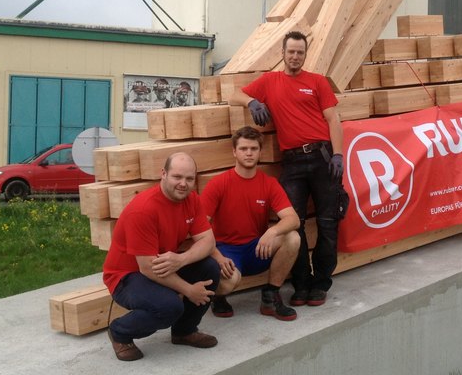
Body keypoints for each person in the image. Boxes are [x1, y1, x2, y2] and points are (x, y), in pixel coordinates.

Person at [229, 30, 344, 308]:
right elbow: (234, 95)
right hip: (291, 162)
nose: (295, 57)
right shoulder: (270, 81)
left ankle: (321, 283)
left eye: (300, 52)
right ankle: (301, 283)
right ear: (282, 53)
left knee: (328, 223)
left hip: (322, 157)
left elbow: (333, 119)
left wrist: (338, 154)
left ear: (305, 55)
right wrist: (252, 101)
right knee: (296, 225)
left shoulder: (317, 82)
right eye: (290, 52)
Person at [103, 152, 220, 362]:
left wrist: (181, 260)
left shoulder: (192, 200)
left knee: (210, 268)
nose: (183, 184)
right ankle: (120, 332)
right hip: (127, 276)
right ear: (163, 174)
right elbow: (147, 268)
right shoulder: (143, 210)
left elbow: (208, 241)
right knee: (169, 307)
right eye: (177, 177)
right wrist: (188, 290)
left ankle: (184, 331)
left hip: (164, 264)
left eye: (189, 179)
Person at [201, 126, 300, 321]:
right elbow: (199, 229)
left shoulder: (269, 183)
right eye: (243, 148)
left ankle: (271, 296)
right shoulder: (218, 184)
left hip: (256, 248)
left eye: (253, 149)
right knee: (230, 282)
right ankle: (218, 298)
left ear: (260, 152)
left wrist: (272, 232)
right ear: (234, 152)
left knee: (292, 237)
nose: (249, 153)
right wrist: (217, 257)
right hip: (226, 251)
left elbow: (293, 219)